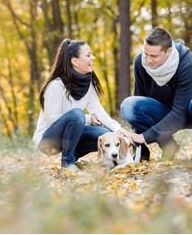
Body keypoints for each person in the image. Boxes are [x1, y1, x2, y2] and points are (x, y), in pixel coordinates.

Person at [33, 39, 133, 172]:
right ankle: (67, 163)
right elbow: (53, 120)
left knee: (105, 134)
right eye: (88, 55)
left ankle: (74, 157)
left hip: (71, 132)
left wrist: (117, 128)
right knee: (77, 114)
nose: (93, 57)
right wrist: (87, 119)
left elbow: (99, 112)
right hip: (48, 140)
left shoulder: (87, 83)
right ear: (75, 61)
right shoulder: (56, 85)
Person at [120, 27, 192, 162]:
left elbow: (179, 114)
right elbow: (139, 99)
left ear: (168, 51)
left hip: (189, 112)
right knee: (128, 105)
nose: (148, 60)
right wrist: (137, 143)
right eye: (146, 53)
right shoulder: (140, 62)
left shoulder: (187, 62)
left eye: (154, 56)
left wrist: (145, 137)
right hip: (162, 112)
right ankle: (168, 146)